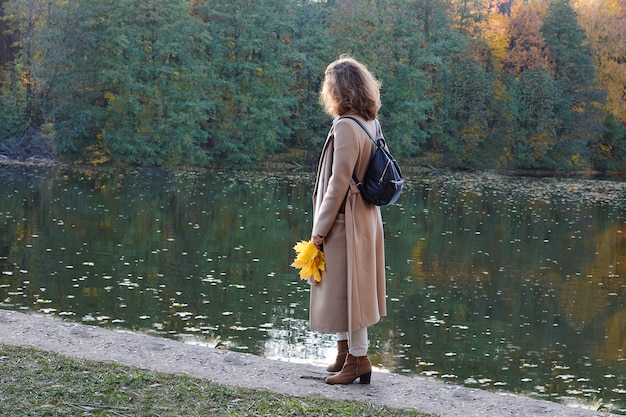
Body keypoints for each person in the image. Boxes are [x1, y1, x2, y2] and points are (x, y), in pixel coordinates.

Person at [309, 56, 387, 385]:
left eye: (329, 87)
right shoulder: (371, 122)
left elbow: (337, 184)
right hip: (366, 217)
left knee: (351, 291)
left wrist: (318, 232)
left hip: (346, 219)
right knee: (347, 287)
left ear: (339, 90)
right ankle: (345, 352)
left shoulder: (345, 126)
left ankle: (359, 360)